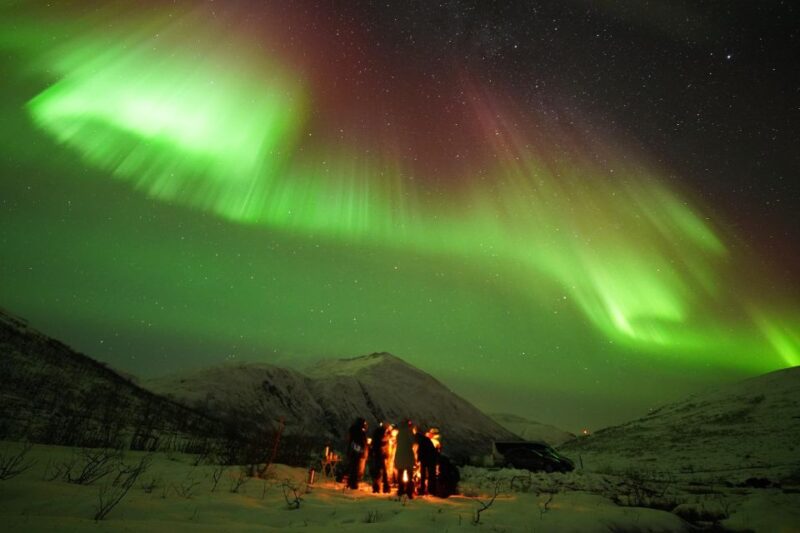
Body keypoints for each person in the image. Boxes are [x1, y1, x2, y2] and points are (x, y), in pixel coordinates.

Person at [394, 419, 416, 498]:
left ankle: (401, 490)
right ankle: (409, 491)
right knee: (410, 475)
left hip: (399, 456)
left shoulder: (399, 434)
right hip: (408, 456)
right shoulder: (409, 432)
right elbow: (414, 442)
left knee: (400, 474)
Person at [346, 417, 368, 489]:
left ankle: (351, 482)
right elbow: (358, 443)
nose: (365, 425)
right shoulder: (359, 432)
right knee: (355, 468)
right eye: (364, 423)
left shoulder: (355, 430)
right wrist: (361, 450)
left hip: (354, 452)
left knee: (353, 468)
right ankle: (353, 484)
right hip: (356, 452)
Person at [369, 422, 391, 493]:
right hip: (380, 455)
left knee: (377, 471)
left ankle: (376, 487)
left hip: (375, 454)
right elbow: (382, 442)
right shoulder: (382, 433)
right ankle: (385, 488)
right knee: (383, 471)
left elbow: (375, 443)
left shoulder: (376, 432)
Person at [416, 429, 438, 495]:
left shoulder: (422, 441)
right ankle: (431, 489)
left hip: (427, 459)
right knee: (430, 475)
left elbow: (420, 452)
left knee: (424, 475)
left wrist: (418, 460)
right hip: (430, 459)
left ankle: (424, 489)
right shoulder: (427, 440)